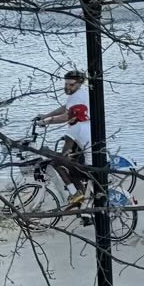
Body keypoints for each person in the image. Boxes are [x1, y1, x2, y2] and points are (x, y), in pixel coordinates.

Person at [33, 71, 94, 202]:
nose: (67, 87)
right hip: (91, 146)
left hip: (91, 166)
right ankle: (83, 199)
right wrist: (46, 115)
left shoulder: (74, 128)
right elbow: (67, 108)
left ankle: (76, 195)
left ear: (79, 83)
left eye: (71, 85)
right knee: (72, 165)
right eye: (65, 84)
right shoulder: (79, 95)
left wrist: (45, 122)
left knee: (59, 163)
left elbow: (66, 116)